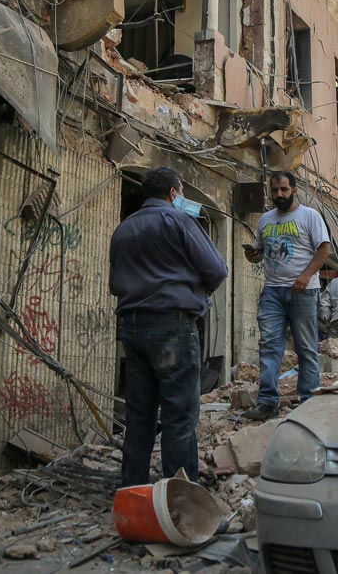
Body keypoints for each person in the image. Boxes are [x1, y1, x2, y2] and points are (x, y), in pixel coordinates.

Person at [109, 166, 227, 487]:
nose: (184, 199)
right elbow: (216, 270)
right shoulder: (178, 220)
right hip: (172, 326)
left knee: (139, 416)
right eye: (183, 194)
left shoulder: (122, 230)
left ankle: (133, 491)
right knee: (178, 416)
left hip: (133, 328)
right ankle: (180, 499)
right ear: (173, 194)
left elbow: (115, 284)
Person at [243, 171, 331, 419]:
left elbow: (325, 250)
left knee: (305, 347)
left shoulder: (309, 216)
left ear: (294, 190)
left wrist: (305, 275)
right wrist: (254, 256)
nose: (279, 195)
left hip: (303, 291)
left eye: (283, 189)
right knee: (269, 346)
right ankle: (268, 401)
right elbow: (262, 251)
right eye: (274, 190)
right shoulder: (265, 220)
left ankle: (307, 400)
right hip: (272, 290)